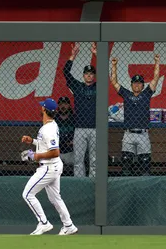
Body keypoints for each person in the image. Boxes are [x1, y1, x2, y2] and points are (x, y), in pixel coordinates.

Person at [20, 98, 78, 236]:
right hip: (53, 166)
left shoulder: (48, 129)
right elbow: (46, 144)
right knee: (55, 199)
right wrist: (33, 141)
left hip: (48, 167)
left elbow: (55, 151)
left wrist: (35, 156)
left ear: (44, 110)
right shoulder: (51, 125)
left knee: (28, 194)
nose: (41, 108)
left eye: (42, 107)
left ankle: (44, 223)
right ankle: (68, 225)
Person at [110, 54, 162, 176]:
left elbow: (156, 78)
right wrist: (114, 66)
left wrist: (157, 62)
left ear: (143, 85)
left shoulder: (146, 94)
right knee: (126, 163)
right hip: (128, 133)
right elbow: (114, 82)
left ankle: (145, 189)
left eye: (139, 83)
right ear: (131, 84)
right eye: (134, 83)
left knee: (145, 164)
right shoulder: (126, 94)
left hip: (143, 133)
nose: (137, 85)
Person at [63, 43, 97, 178]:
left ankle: (94, 183)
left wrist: (96, 54)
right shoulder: (77, 86)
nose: (89, 76)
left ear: (94, 76)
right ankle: (80, 183)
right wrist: (73, 56)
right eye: (87, 74)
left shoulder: (98, 87)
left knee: (95, 160)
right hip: (79, 128)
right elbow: (66, 72)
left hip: (95, 128)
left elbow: (108, 72)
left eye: (91, 74)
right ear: (83, 75)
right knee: (78, 160)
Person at [55, 96, 75, 174]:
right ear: (58, 106)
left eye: (65, 104)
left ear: (69, 106)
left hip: (71, 152)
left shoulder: (75, 119)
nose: (63, 106)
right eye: (61, 104)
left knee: (79, 161)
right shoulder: (53, 119)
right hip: (56, 152)